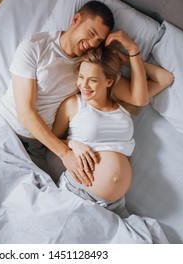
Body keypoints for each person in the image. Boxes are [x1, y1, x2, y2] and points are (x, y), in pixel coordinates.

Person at [0, 0, 149, 182]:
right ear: (76, 19)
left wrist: (131, 53)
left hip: (38, 146)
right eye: (91, 33)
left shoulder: (89, 66)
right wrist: (66, 153)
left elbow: (138, 98)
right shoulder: (36, 46)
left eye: (98, 40)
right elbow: (25, 113)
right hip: (5, 128)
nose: (92, 43)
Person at [52, 46, 174, 217]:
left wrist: (127, 59)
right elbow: (51, 142)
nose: (84, 85)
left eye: (93, 80)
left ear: (109, 82)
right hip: (79, 193)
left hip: (115, 205)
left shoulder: (122, 108)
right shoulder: (73, 104)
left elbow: (165, 79)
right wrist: (72, 144)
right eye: (81, 77)